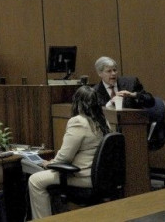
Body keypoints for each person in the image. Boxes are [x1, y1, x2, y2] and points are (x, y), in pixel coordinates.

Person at [28, 85, 110, 219]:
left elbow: (64, 158)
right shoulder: (103, 121)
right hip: (101, 177)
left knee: (35, 180)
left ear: (77, 103)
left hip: (81, 176)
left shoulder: (78, 121)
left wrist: (48, 164)